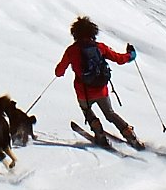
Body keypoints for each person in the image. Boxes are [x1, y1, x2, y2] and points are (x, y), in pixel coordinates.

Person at [55, 16, 142, 148]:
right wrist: (131, 54)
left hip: (83, 92)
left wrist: (61, 70)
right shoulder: (100, 47)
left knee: (87, 110)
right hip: (101, 90)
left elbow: (59, 72)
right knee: (110, 114)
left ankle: (99, 134)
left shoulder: (71, 50)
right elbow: (119, 59)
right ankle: (129, 133)